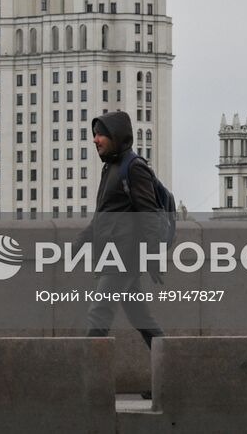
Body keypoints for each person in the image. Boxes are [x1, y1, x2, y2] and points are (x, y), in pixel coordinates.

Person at [80, 110, 165, 350]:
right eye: (94, 135)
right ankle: (176, 371)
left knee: (99, 314)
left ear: (115, 136)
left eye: (100, 135)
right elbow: (104, 215)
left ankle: (87, 379)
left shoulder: (134, 167)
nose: (94, 140)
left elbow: (149, 215)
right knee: (142, 320)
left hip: (123, 256)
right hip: (114, 252)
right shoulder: (111, 168)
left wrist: (153, 256)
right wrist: (78, 242)